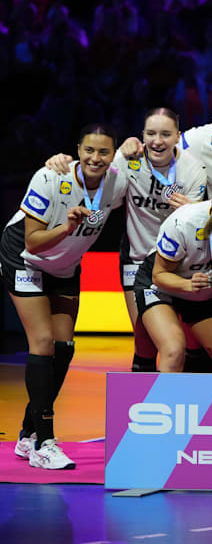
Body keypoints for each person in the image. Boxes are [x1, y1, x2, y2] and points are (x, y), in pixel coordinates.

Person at [42, 109, 210, 372]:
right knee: (144, 336)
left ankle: (185, 394)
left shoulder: (194, 170)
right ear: (142, 135)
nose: (157, 141)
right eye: (151, 133)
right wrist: (59, 161)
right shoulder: (126, 160)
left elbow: (201, 229)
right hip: (137, 259)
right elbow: (88, 171)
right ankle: (142, 397)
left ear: (178, 136)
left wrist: (193, 211)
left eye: (165, 134)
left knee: (185, 339)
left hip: (178, 263)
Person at [5, 125, 127, 470]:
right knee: (42, 342)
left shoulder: (118, 181)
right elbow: (32, 241)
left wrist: (134, 146)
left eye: (104, 152)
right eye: (89, 150)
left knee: (64, 349)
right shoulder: (49, 177)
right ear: (77, 149)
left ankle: (28, 434)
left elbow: (156, 175)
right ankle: (44, 441)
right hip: (25, 258)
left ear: (113, 155)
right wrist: (68, 228)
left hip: (66, 265)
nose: (95, 158)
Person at [134, 164, 212, 374]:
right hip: (163, 286)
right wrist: (187, 284)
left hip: (204, 294)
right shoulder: (185, 222)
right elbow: (158, 275)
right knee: (173, 350)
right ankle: (165, 405)